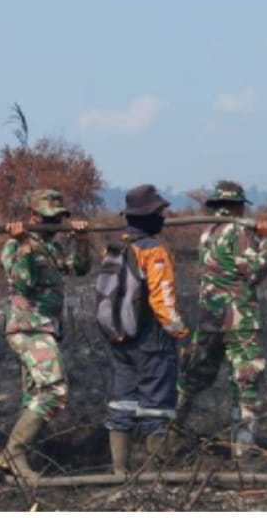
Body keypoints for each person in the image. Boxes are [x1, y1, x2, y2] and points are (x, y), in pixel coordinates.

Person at [175, 180, 267, 457]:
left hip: (209, 319)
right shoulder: (239, 231)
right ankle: (243, 450)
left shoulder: (207, 233)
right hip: (238, 321)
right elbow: (253, 270)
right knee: (245, 382)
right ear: (239, 206)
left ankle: (168, 433)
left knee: (192, 377)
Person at [0, 188, 93, 480]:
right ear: (34, 216)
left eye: (60, 218)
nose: (55, 224)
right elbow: (24, 283)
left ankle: (21, 461)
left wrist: (81, 241)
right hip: (28, 328)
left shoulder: (53, 247)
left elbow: (79, 268)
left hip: (46, 327)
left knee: (35, 395)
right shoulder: (14, 247)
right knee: (54, 391)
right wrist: (24, 243)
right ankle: (13, 453)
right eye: (49, 218)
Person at [103, 184, 189, 474]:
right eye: (160, 212)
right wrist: (179, 332)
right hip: (152, 340)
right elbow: (162, 299)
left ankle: (119, 472)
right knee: (156, 407)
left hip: (119, 337)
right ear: (149, 215)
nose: (164, 217)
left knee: (122, 402)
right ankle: (156, 476)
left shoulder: (115, 247)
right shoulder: (154, 251)